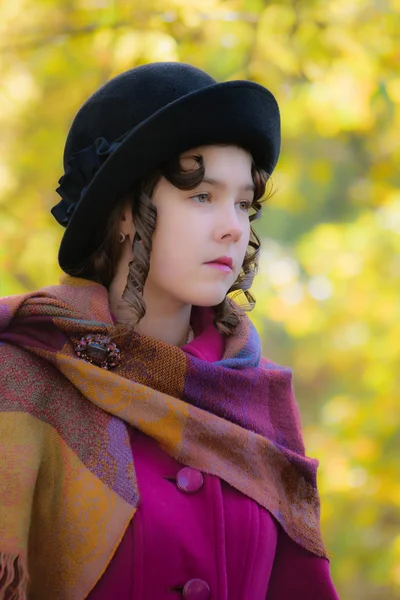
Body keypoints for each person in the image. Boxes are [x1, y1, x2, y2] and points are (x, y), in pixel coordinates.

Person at [0, 62, 339, 599]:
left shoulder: (258, 395)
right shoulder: (21, 376)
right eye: (202, 196)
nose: (233, 225)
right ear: (126, 214)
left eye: (244, 203)